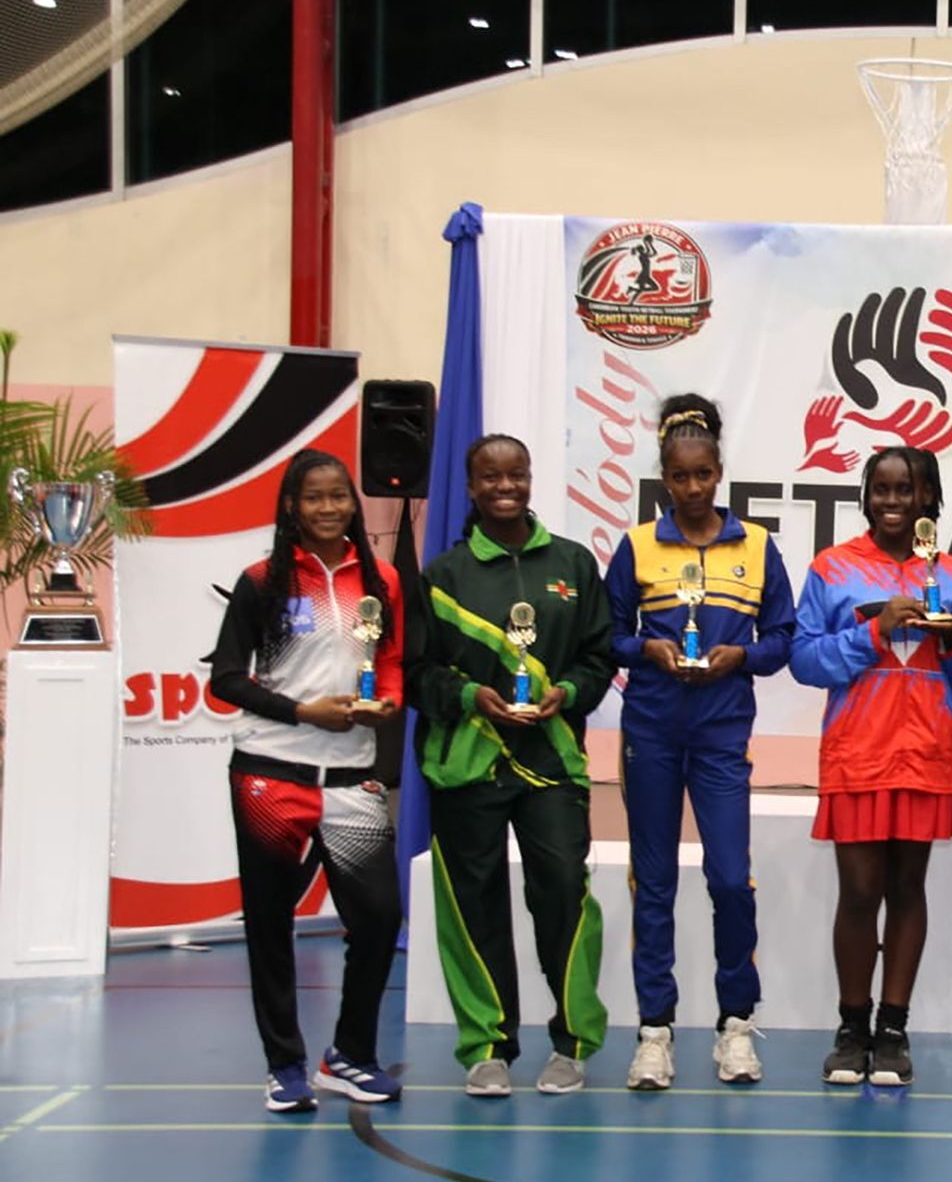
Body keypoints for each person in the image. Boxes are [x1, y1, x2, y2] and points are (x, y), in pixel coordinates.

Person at [406, 433, 617, 1098]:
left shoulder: (573, 564)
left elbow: (599, 656)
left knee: (564, 892)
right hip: (466, 764)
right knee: (473, 904)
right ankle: (486, 1047)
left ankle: (573, 1043)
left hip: (550, 762)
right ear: (471, 487)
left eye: (516, 474)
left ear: (530, 478)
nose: (506, 487)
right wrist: (472, 696)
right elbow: (416, 674)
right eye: (491, 477)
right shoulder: (444, 576)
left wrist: (569, 692)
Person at [606, 394, 797, 1090]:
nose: (692, 488)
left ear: (720, 473)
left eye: (704, 475)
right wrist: (647, 650)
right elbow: (609, 636)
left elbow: (783, 638)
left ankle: (735, 1025)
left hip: (721, 735)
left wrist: (740, 657)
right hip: (651, 732)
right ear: (664, 479)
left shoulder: (757, 546)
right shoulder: (637, 546)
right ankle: (654, 1032)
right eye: (680, 477)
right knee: (653, 884)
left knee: (729, 880)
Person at [207, 449, 404, 1114]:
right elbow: (226, 679)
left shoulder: (381, 579)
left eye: (338, 496)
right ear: (291, 506)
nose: (328, 508)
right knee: (270, 924)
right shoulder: (261, 580)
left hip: (351, 776)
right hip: (271, 773)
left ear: (353, 503)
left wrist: (388, 701)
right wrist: (301, 711)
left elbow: (391, 660)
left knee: (378, 917)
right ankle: (284, 1065)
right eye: (313, 497)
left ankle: (349, 1055)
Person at [791, 447, 952, 1087]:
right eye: (882, 489)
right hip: (858, 749)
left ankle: (893, 1030)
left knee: (907, 888)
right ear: (866, 497)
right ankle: (852, 1027)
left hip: (926, 750)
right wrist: (873, 632)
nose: (894, 501)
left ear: (929, 498)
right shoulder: (832, 567)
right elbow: (805, 660)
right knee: (859, 890)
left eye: (908, 490)